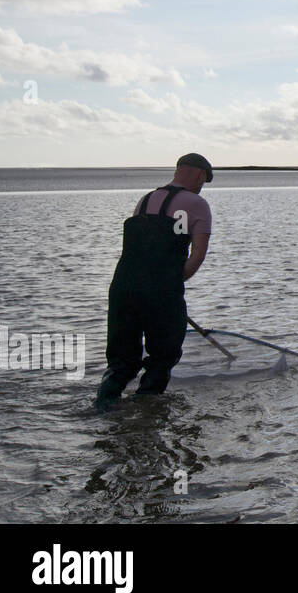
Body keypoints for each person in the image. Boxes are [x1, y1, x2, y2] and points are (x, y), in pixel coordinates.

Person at [94, 153, 214, 409]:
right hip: (160, 291)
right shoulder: (197, 204)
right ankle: (147, 411)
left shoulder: (145, 200)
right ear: (200, 175)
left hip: (122, 287)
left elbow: (140, 250)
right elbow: (197, 255)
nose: (201, 187)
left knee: (121, 361)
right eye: (203, 182)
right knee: (162, 356)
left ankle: (103, 409)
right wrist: (170, 284)